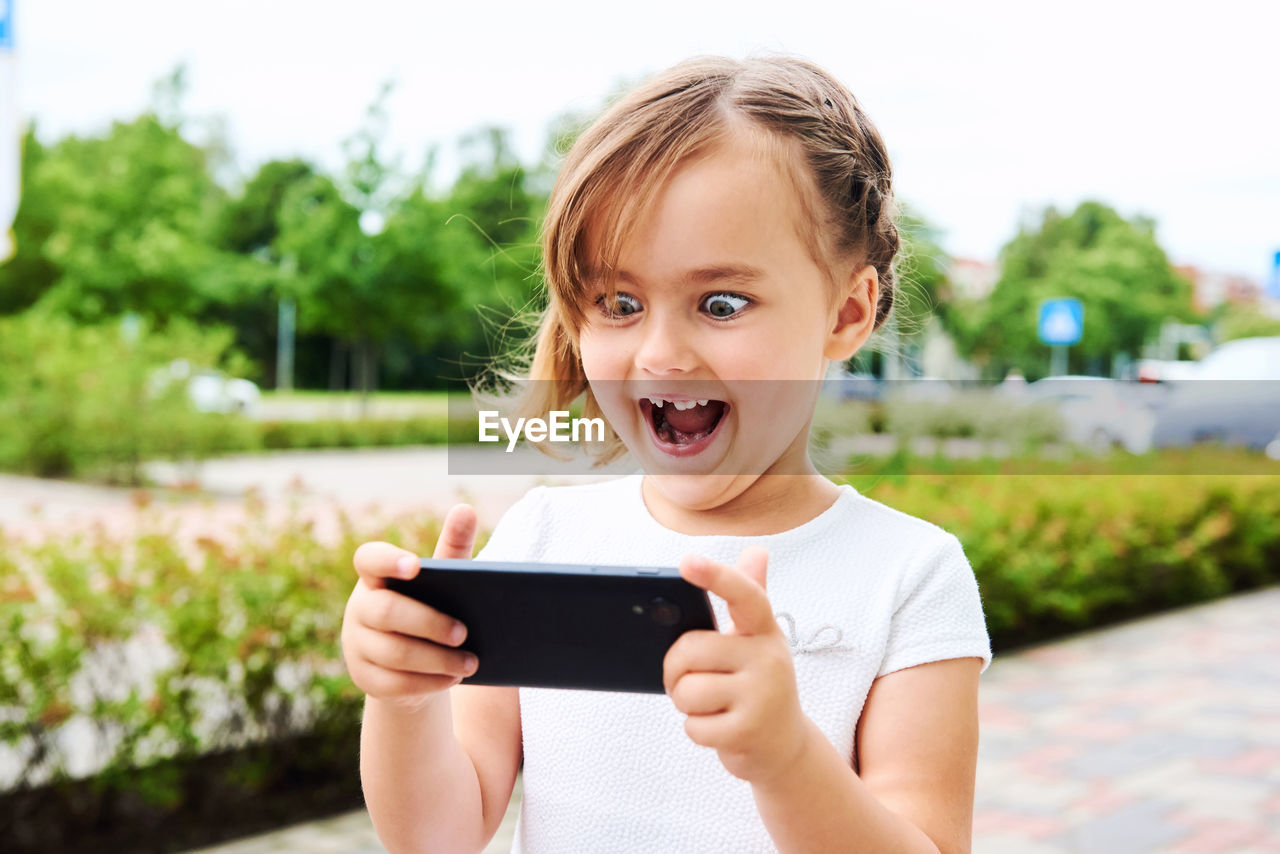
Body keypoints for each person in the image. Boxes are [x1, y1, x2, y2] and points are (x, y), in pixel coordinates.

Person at [341, 53, 992, 854]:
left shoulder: (908, 576)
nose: (660, 352)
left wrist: (786, 759)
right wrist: (404, 700)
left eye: (721, 303)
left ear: (846, 313)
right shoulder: (546, 538)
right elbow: (438, 835)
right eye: (619, 303)